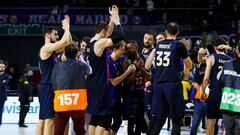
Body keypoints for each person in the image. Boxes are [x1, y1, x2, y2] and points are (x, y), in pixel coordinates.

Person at [145, 22, 192, 135]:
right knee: (176, 121)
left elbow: (146, 67)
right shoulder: (178, 45)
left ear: (165, 32)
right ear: (178, 32)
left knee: (159, 120)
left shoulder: (158, 45)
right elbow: (189, 66)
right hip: (173, 85)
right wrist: (185, 50)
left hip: (160, 86)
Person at [86, 5, 125, 135]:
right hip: (99, 86)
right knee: (104, 118)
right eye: (106, 32)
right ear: (102, 31)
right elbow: (120, 35)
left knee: (94, 118)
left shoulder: (92, 42)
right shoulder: (99, 44)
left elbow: (108, 34)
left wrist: (112, 20)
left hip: (92, 85)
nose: (107, 34)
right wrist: (118, 20)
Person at [36, 15, 72, 135]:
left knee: (42, 120)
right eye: (55, 34)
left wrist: (68, 29)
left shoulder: (50, 50)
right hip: (47, 86)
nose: (57, 37)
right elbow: (64, 41)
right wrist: (67, 28)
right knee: (49, 120)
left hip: (46, 86)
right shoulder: (46, 48)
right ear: (47, 35)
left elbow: (68, 42)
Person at [52, 44, 92, 135]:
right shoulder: (81, 65)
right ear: (77, 54)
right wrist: (82, 60)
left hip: (61, 102)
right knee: (80, 131)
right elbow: (90, 71)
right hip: (78, 103)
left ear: (64, 53)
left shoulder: (57, 66)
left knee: (58, 131)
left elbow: (54, 83)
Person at [200, 38, 232, 135]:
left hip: (215, 93)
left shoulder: (212, 58)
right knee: (229, 126)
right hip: (228, 94)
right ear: (225, 47)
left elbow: (206, 78)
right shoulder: (231, 60)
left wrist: (202, 91)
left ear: (215, 47)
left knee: (211, 124)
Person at [106, 40, 136, 135]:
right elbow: (114, 82)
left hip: (119, 95)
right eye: (122, 50)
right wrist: (127, 72)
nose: (124, 51)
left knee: (118, 120)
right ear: (115, 49)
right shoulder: (108, 62)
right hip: (109, 96)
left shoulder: (122, 59)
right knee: (107, 122)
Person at [124, 40, 151, 135]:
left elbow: (149, 76)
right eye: (127, 48)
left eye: (130, 48)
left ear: (136, 48)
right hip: (130, 94)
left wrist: (141, 69)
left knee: (140, 119)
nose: (128, 50)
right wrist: (136, 71)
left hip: (141, 93)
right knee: (131, 120)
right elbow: (127, 81)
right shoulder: (126, 60)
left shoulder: (144, 58)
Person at [218, 43, 240, 135]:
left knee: (228, 131)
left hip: (227, 104)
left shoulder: (226, 65)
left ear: (237, 50)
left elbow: (220, 85)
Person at [0, 60, 10, 126]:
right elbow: (2, 83)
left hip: (2, 96)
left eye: (3, 66)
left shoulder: (7, 76)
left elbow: (4, 84)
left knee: (0, 111)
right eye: (0, 66)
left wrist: (2, 83)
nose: (2, 68)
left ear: (5, 67)